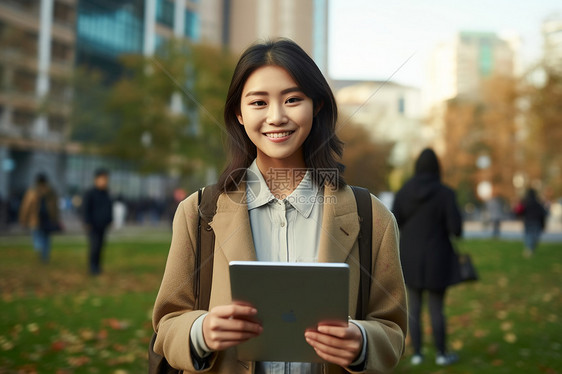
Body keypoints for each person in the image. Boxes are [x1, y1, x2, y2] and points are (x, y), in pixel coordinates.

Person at [152, 39, 407, 373]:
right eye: (259, 102)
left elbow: (393, 329)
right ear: (239, 115)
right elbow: (168, 323)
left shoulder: (371, 216)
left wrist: (361, 341)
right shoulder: (197, 212)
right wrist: (201, 332)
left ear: (316, 106)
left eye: (292, 99)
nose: (276, 117)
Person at [392, 148, 462, 367]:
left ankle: (417, 354)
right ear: (437, 168)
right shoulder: (446, 194)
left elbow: (395, 222)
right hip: (438, 257)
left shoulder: (403, 192)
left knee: (414, 307)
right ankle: (441, 354)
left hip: (410, 257)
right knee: (436, 307)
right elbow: (456, 229)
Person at [19, 173, 60, 263]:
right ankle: (44, 254)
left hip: (42, 218)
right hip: (41, 218)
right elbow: (55, 207)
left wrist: (23, 219)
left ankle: (43, 254)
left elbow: (26, 206)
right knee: (43, 237)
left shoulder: (35, 191)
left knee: (41, 237)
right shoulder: (48, 191)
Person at [82, 168, 113, 275]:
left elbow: (109, 208)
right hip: (93, 225)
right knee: (94, 246)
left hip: (103, 225)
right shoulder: (90, 193)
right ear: (96, 179)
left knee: (100, 246)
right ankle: (92, 267)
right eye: (102, 179)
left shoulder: (106, 193)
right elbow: (85, 209)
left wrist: (110, 220)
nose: (104, 181)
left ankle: (98, 267)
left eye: (106, 179)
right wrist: (87, 222)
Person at [518, 188, 548, 257]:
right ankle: (531, 248)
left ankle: (529, 248)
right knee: (535, 236)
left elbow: (520, 212)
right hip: (536, 222)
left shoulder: (525, 203)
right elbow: (542, 214)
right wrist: (543, 224)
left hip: (528, 221)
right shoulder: (538, 203)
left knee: (528, 235)